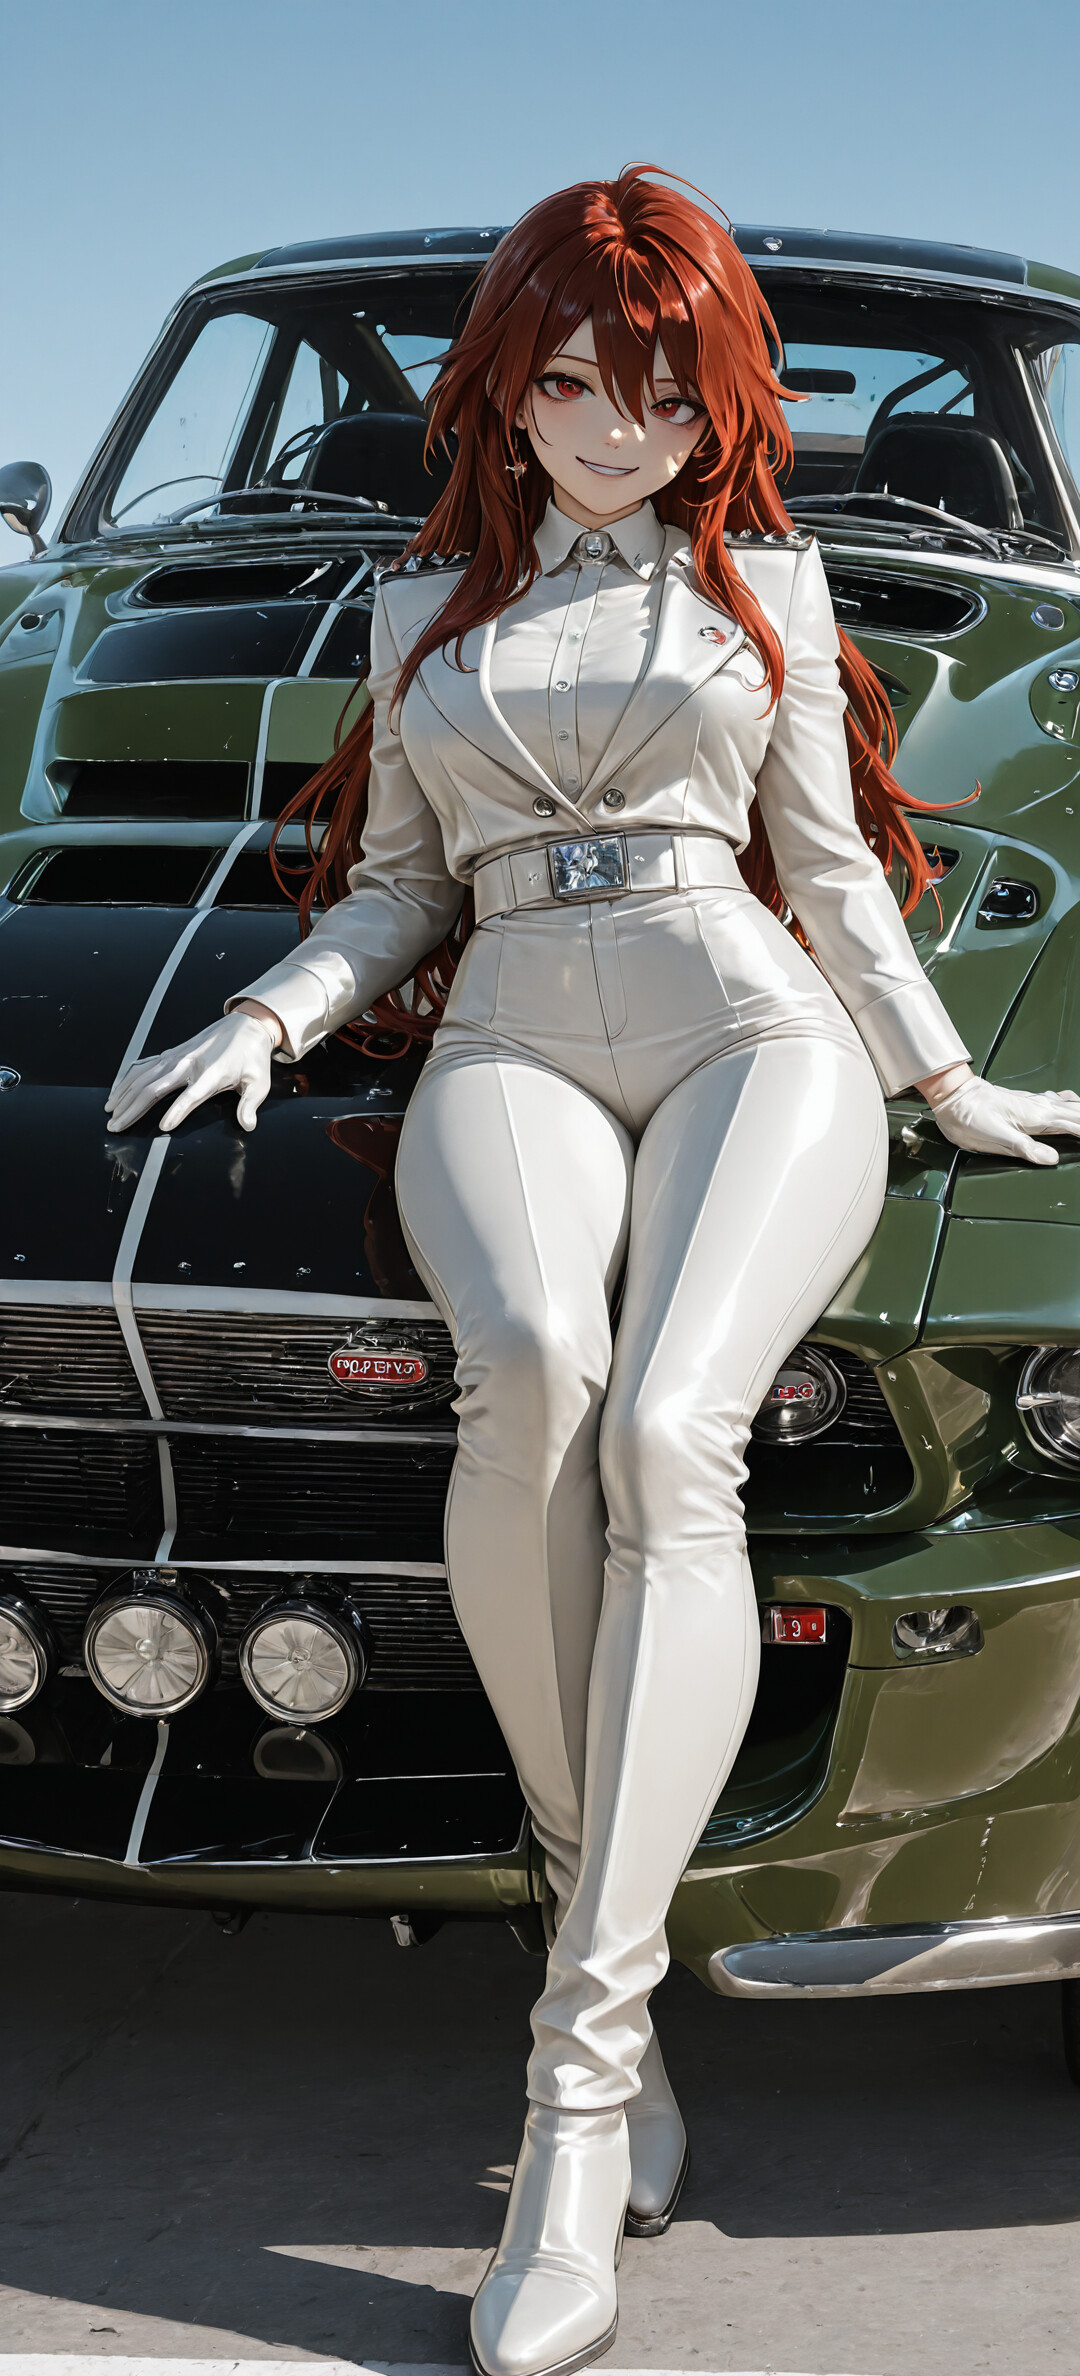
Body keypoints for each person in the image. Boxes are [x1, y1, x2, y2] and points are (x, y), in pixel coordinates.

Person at [107, 169, 1080, 2376]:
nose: (608, 428)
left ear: (710, 397)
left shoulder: (783, 596)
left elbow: (834, 881)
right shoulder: (424, 608)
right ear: (505, 392)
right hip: (515, 1024)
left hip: (757, 1026)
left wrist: (951, 1077)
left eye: (652, 389)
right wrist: (267, 1014)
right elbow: (398, 899)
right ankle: (603, 1925)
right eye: (566, 383)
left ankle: (572, 2085)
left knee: (670, 1433)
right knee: (534, 1374)